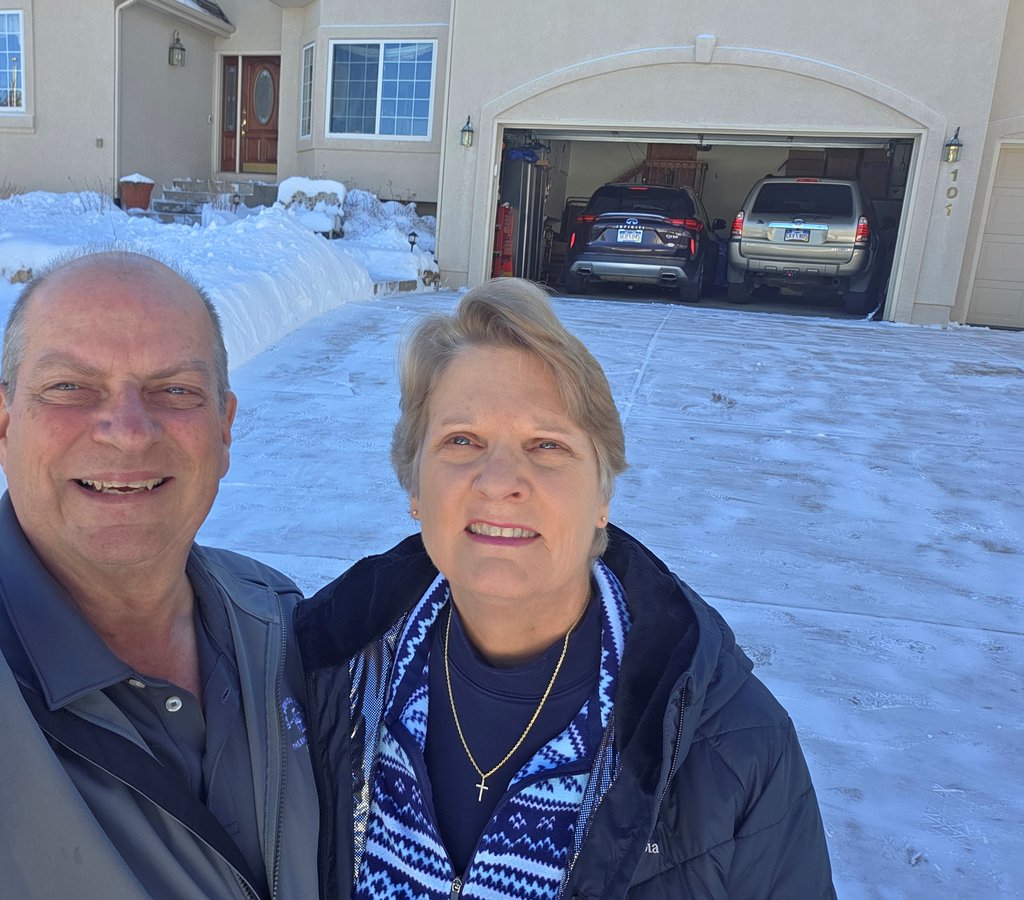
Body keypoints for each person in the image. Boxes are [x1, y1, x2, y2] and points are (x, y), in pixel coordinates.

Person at [296, 278, 835, 899]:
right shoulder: (319, 681)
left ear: (602, 495)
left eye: (546, 445)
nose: (499, 481)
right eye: (462, 440)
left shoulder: (736, 748)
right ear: (414, 488)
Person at [0, 250, 317, 899]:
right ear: (3, 424)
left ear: (223, 429)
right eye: (69, 388)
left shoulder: (278, 621)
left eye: (175, 390)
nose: (128, 432)